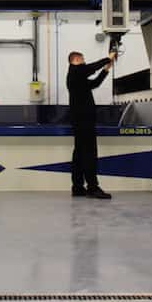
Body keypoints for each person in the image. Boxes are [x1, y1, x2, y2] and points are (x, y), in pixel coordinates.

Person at [66, 49, 117, 199]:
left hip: (81, 120)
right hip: (84, 121)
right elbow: (90, 68)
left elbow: (94, 83)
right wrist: (107, 59)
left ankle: (78, 187)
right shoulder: (75, 72)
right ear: (76, 60)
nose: (85, 61)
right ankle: (93, 187)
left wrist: (106, 70)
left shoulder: (77, 77)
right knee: (89, 153)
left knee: (80, 154)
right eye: (83, 59)